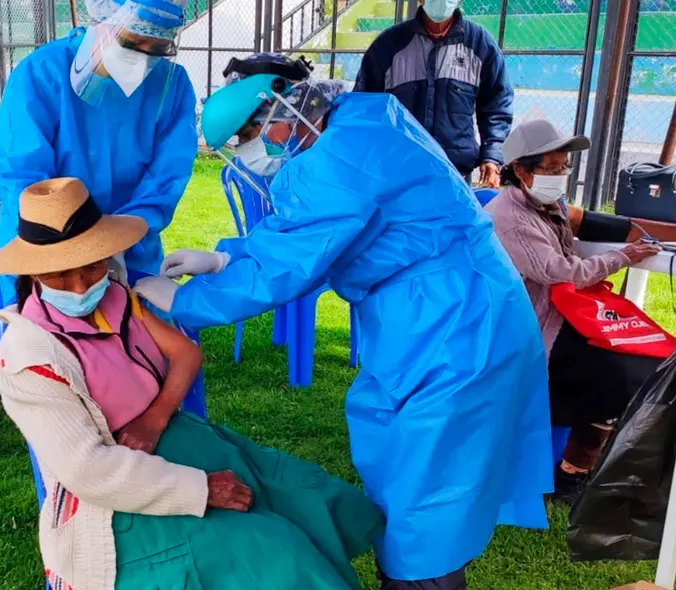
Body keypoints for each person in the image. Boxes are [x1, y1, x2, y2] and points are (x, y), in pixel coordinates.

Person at [137, 74, 551, 589]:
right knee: (399, 453)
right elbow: (314, 234)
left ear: (279, 115)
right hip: (437, 309)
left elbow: (293, 261)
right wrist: (227, 257)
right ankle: (408, 569)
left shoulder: (336, 159)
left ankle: (418, 580)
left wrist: (187, 300)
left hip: (455, 323)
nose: (245, 154)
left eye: (245, 138)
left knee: (430, 478)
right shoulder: (359, 119)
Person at [0, 177, 383, 590]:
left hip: (175, 440)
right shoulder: (28, 357)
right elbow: (89, 471)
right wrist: (201, 489)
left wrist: (154, 419)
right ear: (34, 273)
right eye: (60, 276)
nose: (81, 287)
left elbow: (186, 353)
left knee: (306, 496)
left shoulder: (115, 297)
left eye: (92, 267)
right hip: (120, 500)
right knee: (275, 554)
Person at [485, 119, 670, 505]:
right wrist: (624, 256)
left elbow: (580, 220)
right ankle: (574, 472)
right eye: (551, 168)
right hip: (536, 330)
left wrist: (643, 234)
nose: (560, 176)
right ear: (520, 169)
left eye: (564, 167)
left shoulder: (545, 203)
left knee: (650, 358)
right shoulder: (510, 217)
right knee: (622, 373)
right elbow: (564, 272)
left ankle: (595, 463)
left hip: (567, 315)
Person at [0, 0, 197, 303]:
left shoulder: (171, 84)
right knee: (44, 329)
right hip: (46, 248)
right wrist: (75, 249)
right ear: (102, 20)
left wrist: (120, 238)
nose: (143, 57)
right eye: (133, 41)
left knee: (135, 327)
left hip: (130, 246)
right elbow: (20, 172)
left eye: (158, 47)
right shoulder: (43, 72)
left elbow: (167, 175)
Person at [354, 0, 512, 188]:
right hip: (399, 177)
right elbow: (363, 106)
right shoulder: (388, 46)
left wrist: (492, 155)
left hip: (456, 177)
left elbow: (497, 105)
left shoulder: (480, 45)